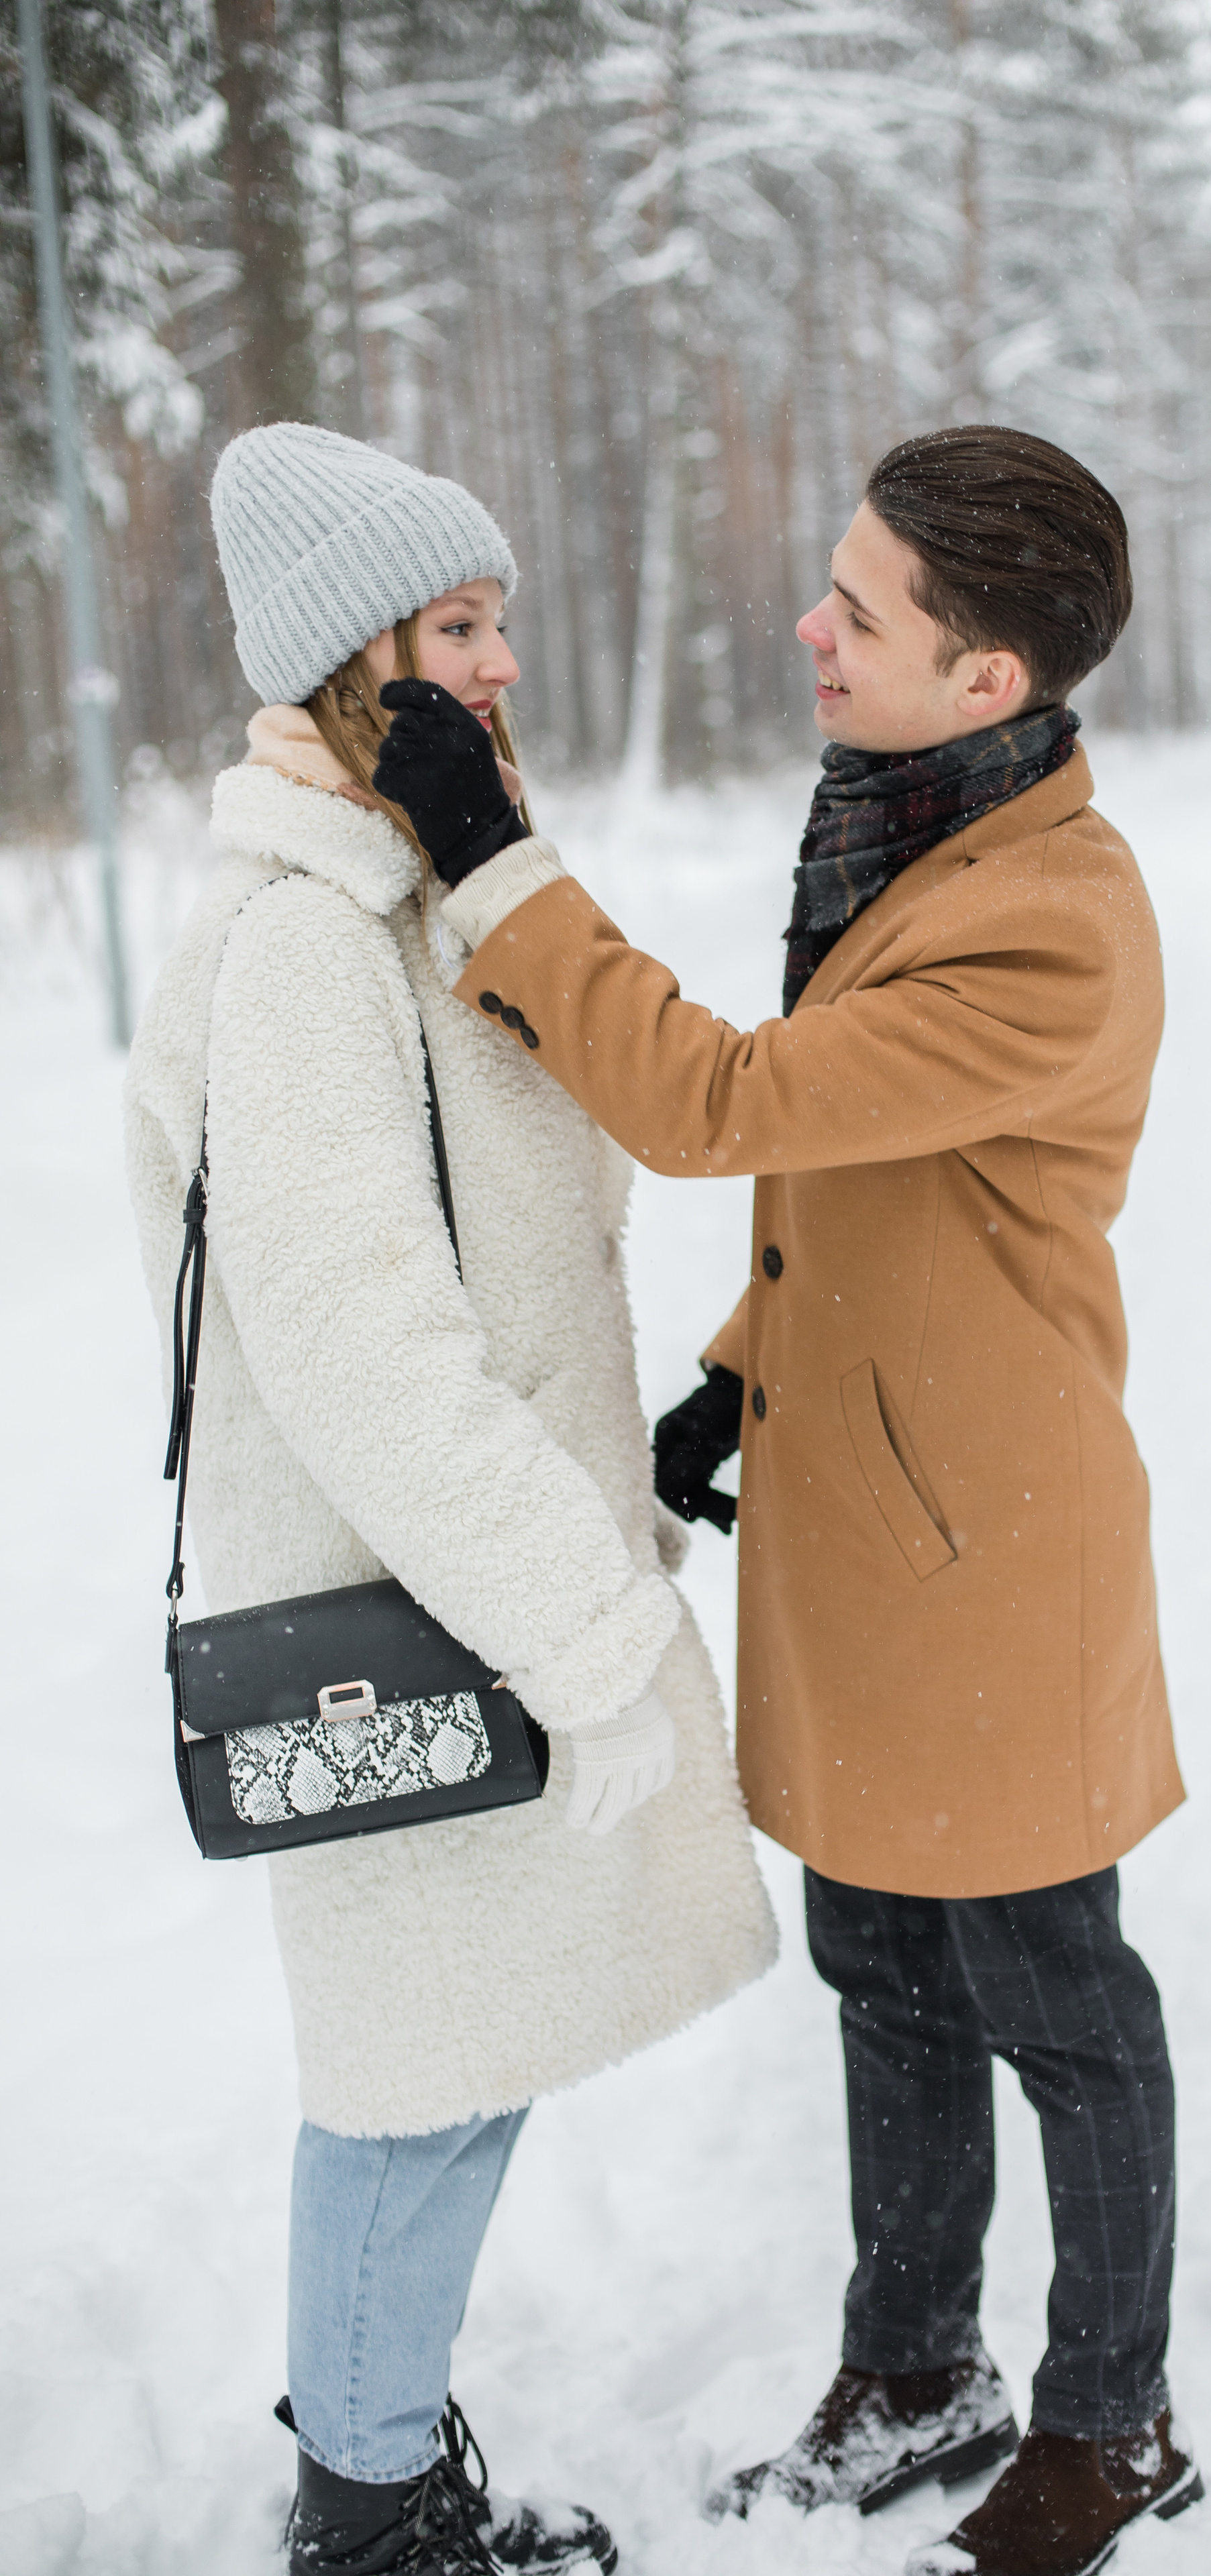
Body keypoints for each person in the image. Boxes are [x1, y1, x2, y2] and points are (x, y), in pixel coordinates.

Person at [373, 424, 1200, 2576]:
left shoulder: (1048, 925)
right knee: (887, 1967)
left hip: (993, 1551)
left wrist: (495, 870)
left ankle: (1115, 2424)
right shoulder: (914, 839)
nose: (808, 627)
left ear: (987, 681)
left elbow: (733, 1104)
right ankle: (919, 2362)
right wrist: (733, 1386)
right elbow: (874, 1187)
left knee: (1057, 1995)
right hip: (869, 1521)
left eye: (859, 609)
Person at [123, 421, 777, 2576]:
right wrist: (591, 1634)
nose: (504, 663)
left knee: (442, 2066)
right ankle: (373, 2508)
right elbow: (369, 1357)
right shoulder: (306, 948)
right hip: (422, 1613)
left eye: (502, 620)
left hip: (452, 1600)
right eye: (460, 629)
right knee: (420, 2082)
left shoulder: (395, 898)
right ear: (356, 668)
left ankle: (372, 2456)